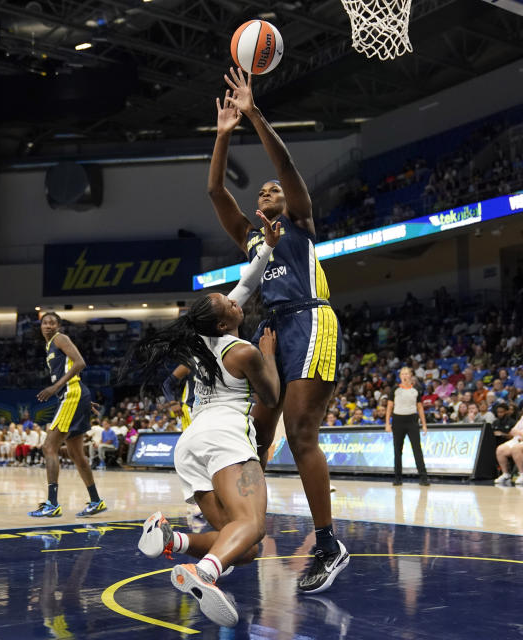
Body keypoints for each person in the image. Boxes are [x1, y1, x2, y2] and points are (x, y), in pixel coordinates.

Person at [207, 69, 347, 593]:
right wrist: (223, 135)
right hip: (272, 330)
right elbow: (216, 190)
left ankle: (328, 544)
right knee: (257, 435)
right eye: (262, 189)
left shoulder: (301, 224)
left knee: (300, 432)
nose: (268, 190)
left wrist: (253, 113)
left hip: (311, 318)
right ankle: (243, 527)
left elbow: (285, 166)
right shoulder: (250, 238)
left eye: (274, 190)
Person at [131, 217, 282, 627]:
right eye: (230, 304)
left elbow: (247, 283)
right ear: (222, 323)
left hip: (190, 444)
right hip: (224, 437)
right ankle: (206, 572)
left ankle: (172, 540)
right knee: (252, 524)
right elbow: (271, 397)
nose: (238, 303)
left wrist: (265, 249)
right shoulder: (243, 350)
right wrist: (267, 353)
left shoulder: (200, 341)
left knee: (246, 544)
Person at [28, 312, 107, 518]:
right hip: (77, 396)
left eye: (52, 322)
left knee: (49, 447)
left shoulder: (60, 339)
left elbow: (80, 363)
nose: (48, 325)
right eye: (45, 322)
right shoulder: (49, 346)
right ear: (40, 326)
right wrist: (84, 402)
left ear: (59, 326)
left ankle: (52, 504)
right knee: (75, 454)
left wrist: (55, 387)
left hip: (71, 395)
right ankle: (96, 501)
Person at [385, 367, 430, 487]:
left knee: (417, 449)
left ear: (411, 376)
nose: (405, 376)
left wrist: (424, 425)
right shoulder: (395, 389)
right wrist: (387, 423)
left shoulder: (416, 389)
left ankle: (423, 477)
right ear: (400, 376)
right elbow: (389, 407)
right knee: (397, 451)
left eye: (407, 374)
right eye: (402, 374)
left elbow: (420, 408)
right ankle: (398, 478)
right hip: (398, 421)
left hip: (412, 421)